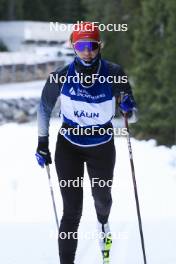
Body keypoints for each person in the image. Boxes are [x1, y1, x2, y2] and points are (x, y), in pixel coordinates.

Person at [36, 22, 137, 264]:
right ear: (73, 46)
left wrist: (128, 107)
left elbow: (130, 113)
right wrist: (42, 142)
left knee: (102, 199)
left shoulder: (114, 72)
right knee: (72, 211)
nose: (87, 52)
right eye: (81, 46)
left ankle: (103, 223)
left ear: (99, 45)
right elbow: (43, 108)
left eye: (92, 45)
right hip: (68, 146)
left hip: (101, 146)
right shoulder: (60, 76)